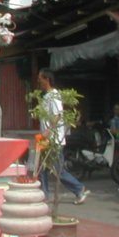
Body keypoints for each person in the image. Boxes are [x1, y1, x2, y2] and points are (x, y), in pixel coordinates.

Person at [36, 68, 90, 205]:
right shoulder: (46, 96)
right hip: (44, 138)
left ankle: (79, 189)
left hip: (52, 138)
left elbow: (58, 115)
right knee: (41, 167)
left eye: (40, 78)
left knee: (56, 169)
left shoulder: (54, 95)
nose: (38, 81)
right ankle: (45, 195)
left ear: (46, 79)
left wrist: (48, 131)